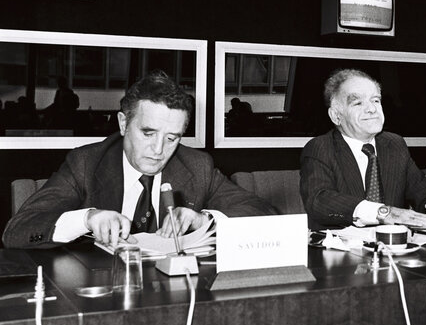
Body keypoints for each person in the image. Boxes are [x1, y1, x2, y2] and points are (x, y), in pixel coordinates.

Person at [3, 71, 276, 250]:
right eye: (148, 133)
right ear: (123, 123)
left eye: (172, 138)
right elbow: (16, 232)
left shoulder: (197, 166)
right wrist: (86, 219)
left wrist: (202, 218)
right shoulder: (86, 163)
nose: (158, 150)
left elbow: (265, 215)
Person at [300, 68, 426, 230]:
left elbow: (421, 190)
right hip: (340, 249)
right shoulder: (320, 147)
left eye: (375, 100)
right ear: (336, 116)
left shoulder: (394, 144)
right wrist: (384, 213)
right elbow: (319, 201)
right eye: (358, 103)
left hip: (394, 247)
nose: (372, 109)